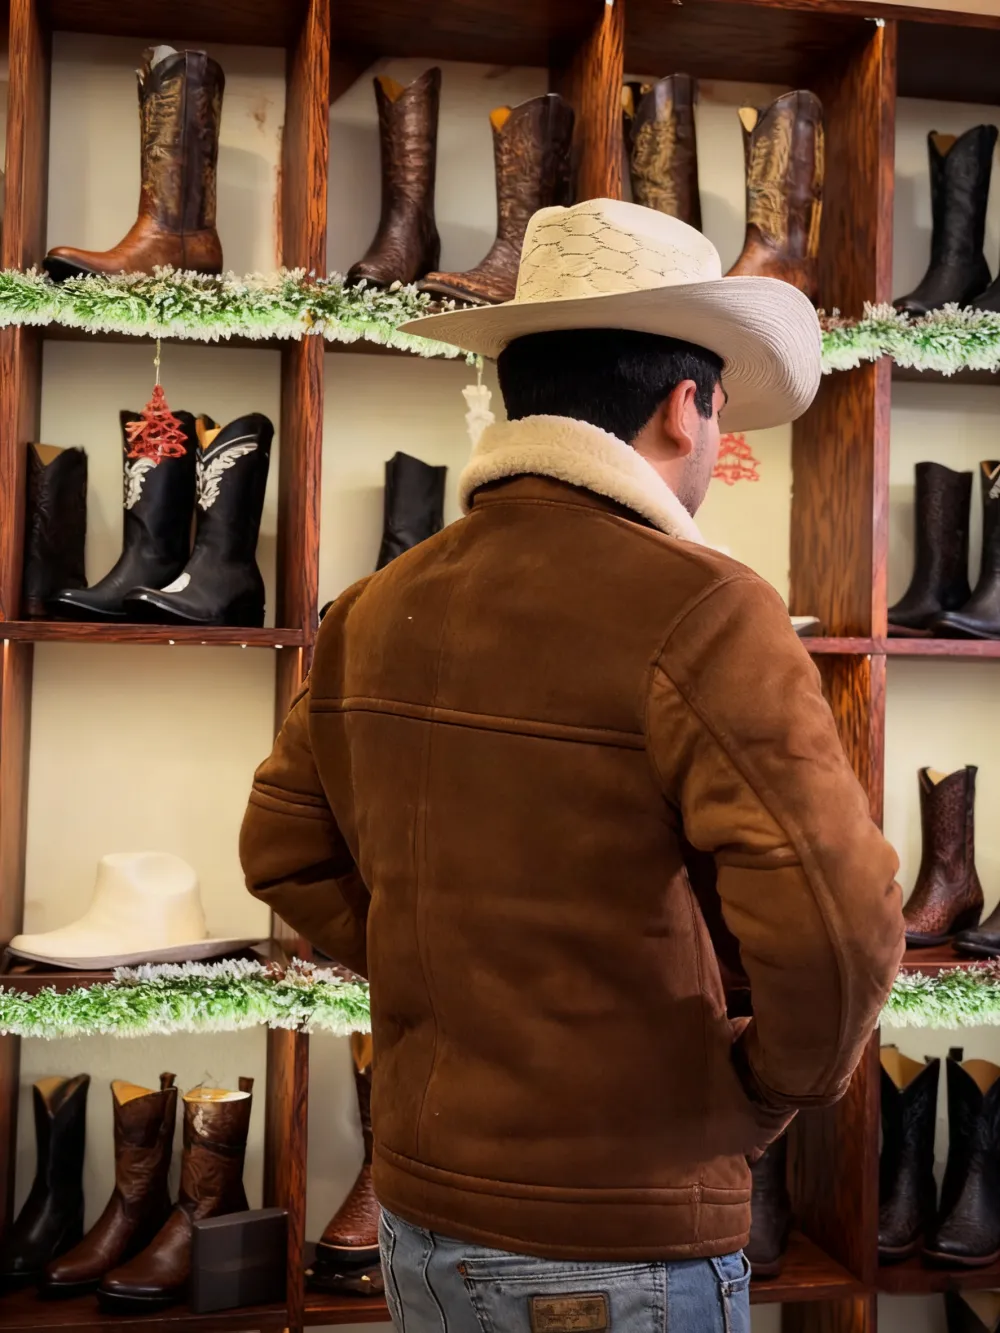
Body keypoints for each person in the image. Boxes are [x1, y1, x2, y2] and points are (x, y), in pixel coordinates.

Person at [240, 199, 904, 1333]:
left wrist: (461, 976)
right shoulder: (705, 609)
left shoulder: (373, 605)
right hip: (618, 1228)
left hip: (418, 1213)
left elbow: (283, 851)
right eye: (718, 413)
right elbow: (840, 922)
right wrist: (762, 1092)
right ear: (685, 406)